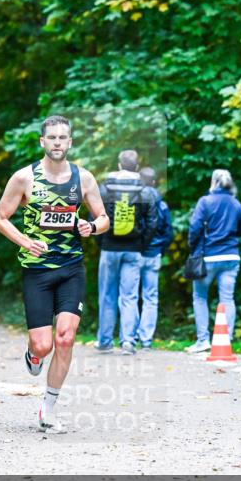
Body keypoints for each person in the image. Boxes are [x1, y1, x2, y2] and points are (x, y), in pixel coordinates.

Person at [0, 115, 109, 434]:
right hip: (37, 271)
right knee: (43, 345)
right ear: (43, 142)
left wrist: (92, 226)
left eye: (63, 137)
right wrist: (26, 241)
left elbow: (103, 218)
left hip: (71, 268)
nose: (57, 142)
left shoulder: (83, 179)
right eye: (52, 138)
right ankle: (33, 354)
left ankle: (49, 407)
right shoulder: (24, 178)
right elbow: (0, 218)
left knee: (66, 337)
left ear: (70, 143)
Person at [94, 150, 159, 355]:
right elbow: (152, 222)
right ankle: (128, 342)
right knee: (129, 297)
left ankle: (105, 341)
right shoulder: (145, 191)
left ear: (119, 165)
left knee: (106, 296)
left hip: (109, 248)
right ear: (137, 167)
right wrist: (141, 244)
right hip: (133, 250)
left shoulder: (104, 189)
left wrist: (102, 242)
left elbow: (95, 219)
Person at [186, 169, 241, 353]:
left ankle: (203, 340)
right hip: (231, 256)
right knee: (227, 298)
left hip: (208, 257)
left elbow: (195, 228)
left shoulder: (205, 202)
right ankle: (225, 341)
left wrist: (193, 247)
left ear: (213, 182)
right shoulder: (236, 204)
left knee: (199, 296)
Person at [135, 167, 173, 349]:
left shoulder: (133, 200)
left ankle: (130, 336)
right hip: (154, 254)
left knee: (130, 296)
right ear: (155, 183)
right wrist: (160, 248)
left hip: (134, 253)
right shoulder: (162, 205)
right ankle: (146, 339)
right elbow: (168, 233)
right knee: (150, 297)